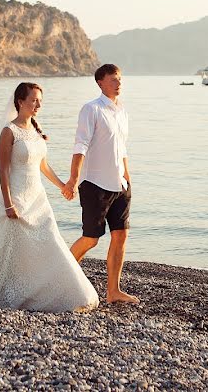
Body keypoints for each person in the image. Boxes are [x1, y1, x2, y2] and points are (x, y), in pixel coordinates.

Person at [0, 82, 99, 312]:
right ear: (20, 102)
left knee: (51, 242)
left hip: (38, 199)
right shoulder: (8, 132)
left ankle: (69, 293)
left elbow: (42, 165)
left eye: (40, 100)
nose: (38, 105)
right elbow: (3, 171)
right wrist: (9, 204)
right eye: (34, 100)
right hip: (18, 199)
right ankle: (11, 294)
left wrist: (63, 185)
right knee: (15, 252)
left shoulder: (35, 130)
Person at [63, 64, 139, 304]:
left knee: (120, 236)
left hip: (120, 186)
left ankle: (113, 291)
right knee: (91, 238)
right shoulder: (91, 109)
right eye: (114, 79)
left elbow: (122, 147)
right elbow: (80, 145)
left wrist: (128, 176)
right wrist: (73, 179)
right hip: (95, 184)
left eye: (120, 78)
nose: (119, 83)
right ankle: (60, 277)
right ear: (100, 82)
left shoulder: (122, 112)